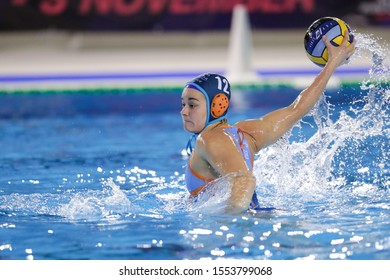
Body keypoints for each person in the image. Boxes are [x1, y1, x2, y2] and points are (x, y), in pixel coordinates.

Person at [181, 31, 356, 214]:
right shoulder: (247, 133)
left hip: (239, 227)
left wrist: (229, 226)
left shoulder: (210, 139)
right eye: (183, 104)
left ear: (217, 105)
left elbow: (245, 181)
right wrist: (332, 64)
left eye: (192, 105)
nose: (184, 111)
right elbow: (297, 109)